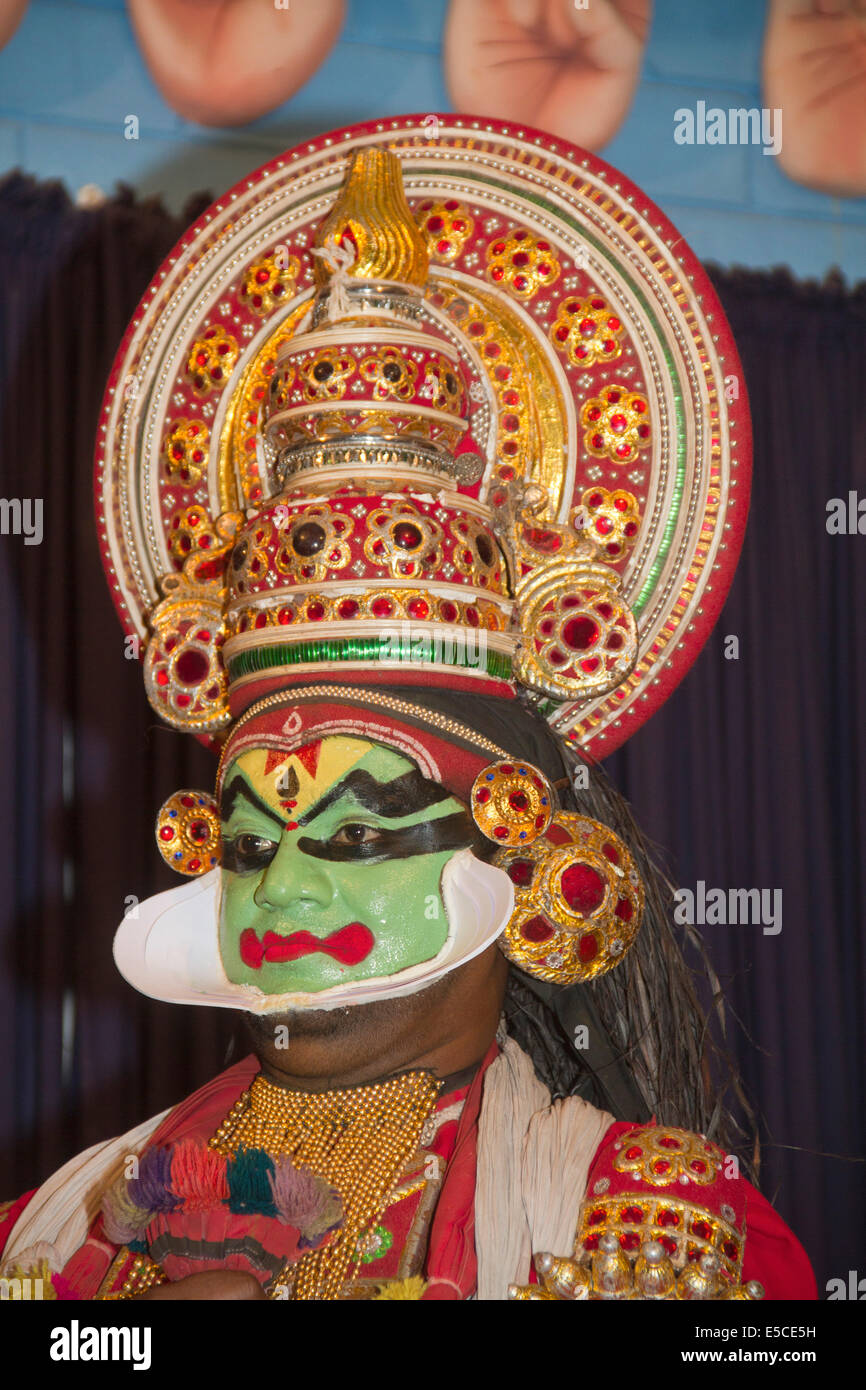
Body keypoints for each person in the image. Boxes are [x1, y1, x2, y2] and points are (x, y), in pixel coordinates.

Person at [0, 119, 816, 1301]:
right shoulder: (60, 1224)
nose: (279, 889)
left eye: (357, 833)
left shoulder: (653, 1231)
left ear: (522, 861)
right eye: (245, 840)